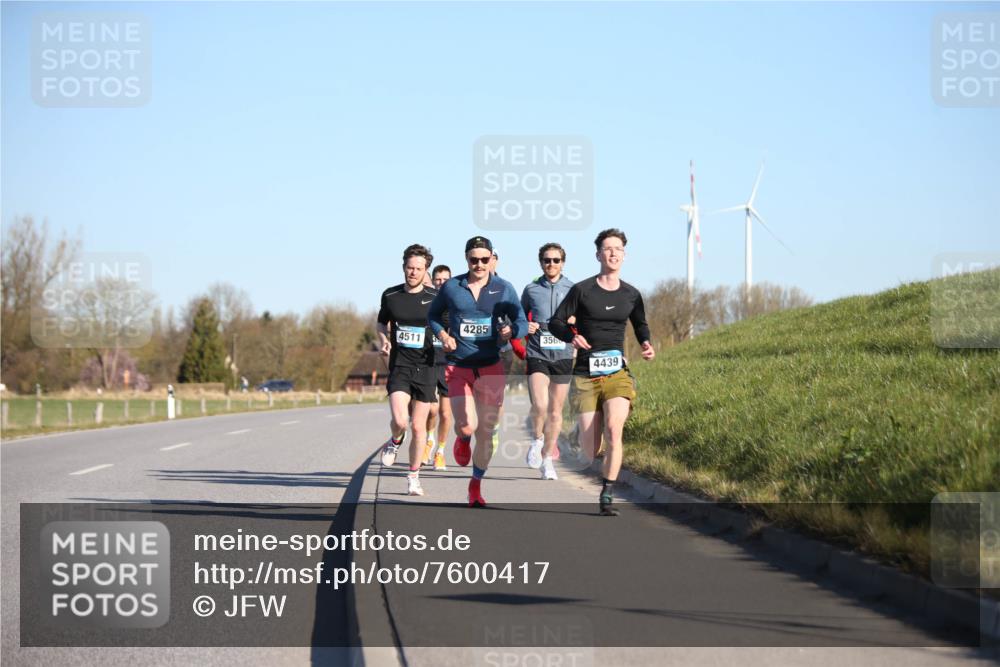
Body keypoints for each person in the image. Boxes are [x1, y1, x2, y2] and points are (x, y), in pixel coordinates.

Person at [549, 228, 655, 515]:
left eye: (618, 249)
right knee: (590, 449)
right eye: (607, 249)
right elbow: (555, 322)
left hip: (617, 374)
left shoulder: (631, 294)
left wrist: (646, 342)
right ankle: (578, 434)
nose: (613, 253)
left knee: (614, 430)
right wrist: (572, 336)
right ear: (598, 254)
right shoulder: (582, 290)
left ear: (624, 254)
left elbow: (640, 324)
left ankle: (607, 492)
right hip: (585, 373)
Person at [428, 236, 527, 507]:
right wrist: (443, 334)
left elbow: (521, 320)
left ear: (491, 258)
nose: (480, 264)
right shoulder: (451, 287)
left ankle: (475, 484)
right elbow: (433, 316)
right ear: (466, 259)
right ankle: (462, 438)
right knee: (468, 425)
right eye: (474, 259)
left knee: (488, 430)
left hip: (491, 366)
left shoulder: (503, 288)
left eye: (485, 259)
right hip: (459, 365)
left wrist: (512, 331)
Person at [377, 244, 438, 496]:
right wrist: (383, 339)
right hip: (400, 365)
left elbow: (447, 327)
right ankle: (394, 441)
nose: (413, 273)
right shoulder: (391, 295)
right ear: (403, 267)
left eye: (418, 269)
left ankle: (413, 476)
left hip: (426, 367)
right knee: (401, 421)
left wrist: (447, 340)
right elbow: (382, 321)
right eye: (409, 268)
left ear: (426, 271)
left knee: (418, 427)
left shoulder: (436, 299)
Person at [521, 243, 575, 481]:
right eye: (546, 260)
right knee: (541, 405)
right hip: (537, 353)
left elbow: (584, 320)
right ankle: (537, 440)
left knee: (555, 411)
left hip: (563, 354)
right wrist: (526, 325)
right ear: (540, 262)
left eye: (555, 260)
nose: (550, 264)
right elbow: (519, 317)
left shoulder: (574, 289)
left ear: (562, 262)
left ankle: (547, 460)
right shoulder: (531, 289)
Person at [422, 264, 452, 471]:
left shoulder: (456, 304)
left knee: (445, 413)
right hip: (429, 360)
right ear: (432, 281)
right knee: (431, 409)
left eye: (445, 280)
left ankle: (440, 452)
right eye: (438, 279)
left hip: (449, 363)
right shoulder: (427, 304)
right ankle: (429, 440)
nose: (441, 283)